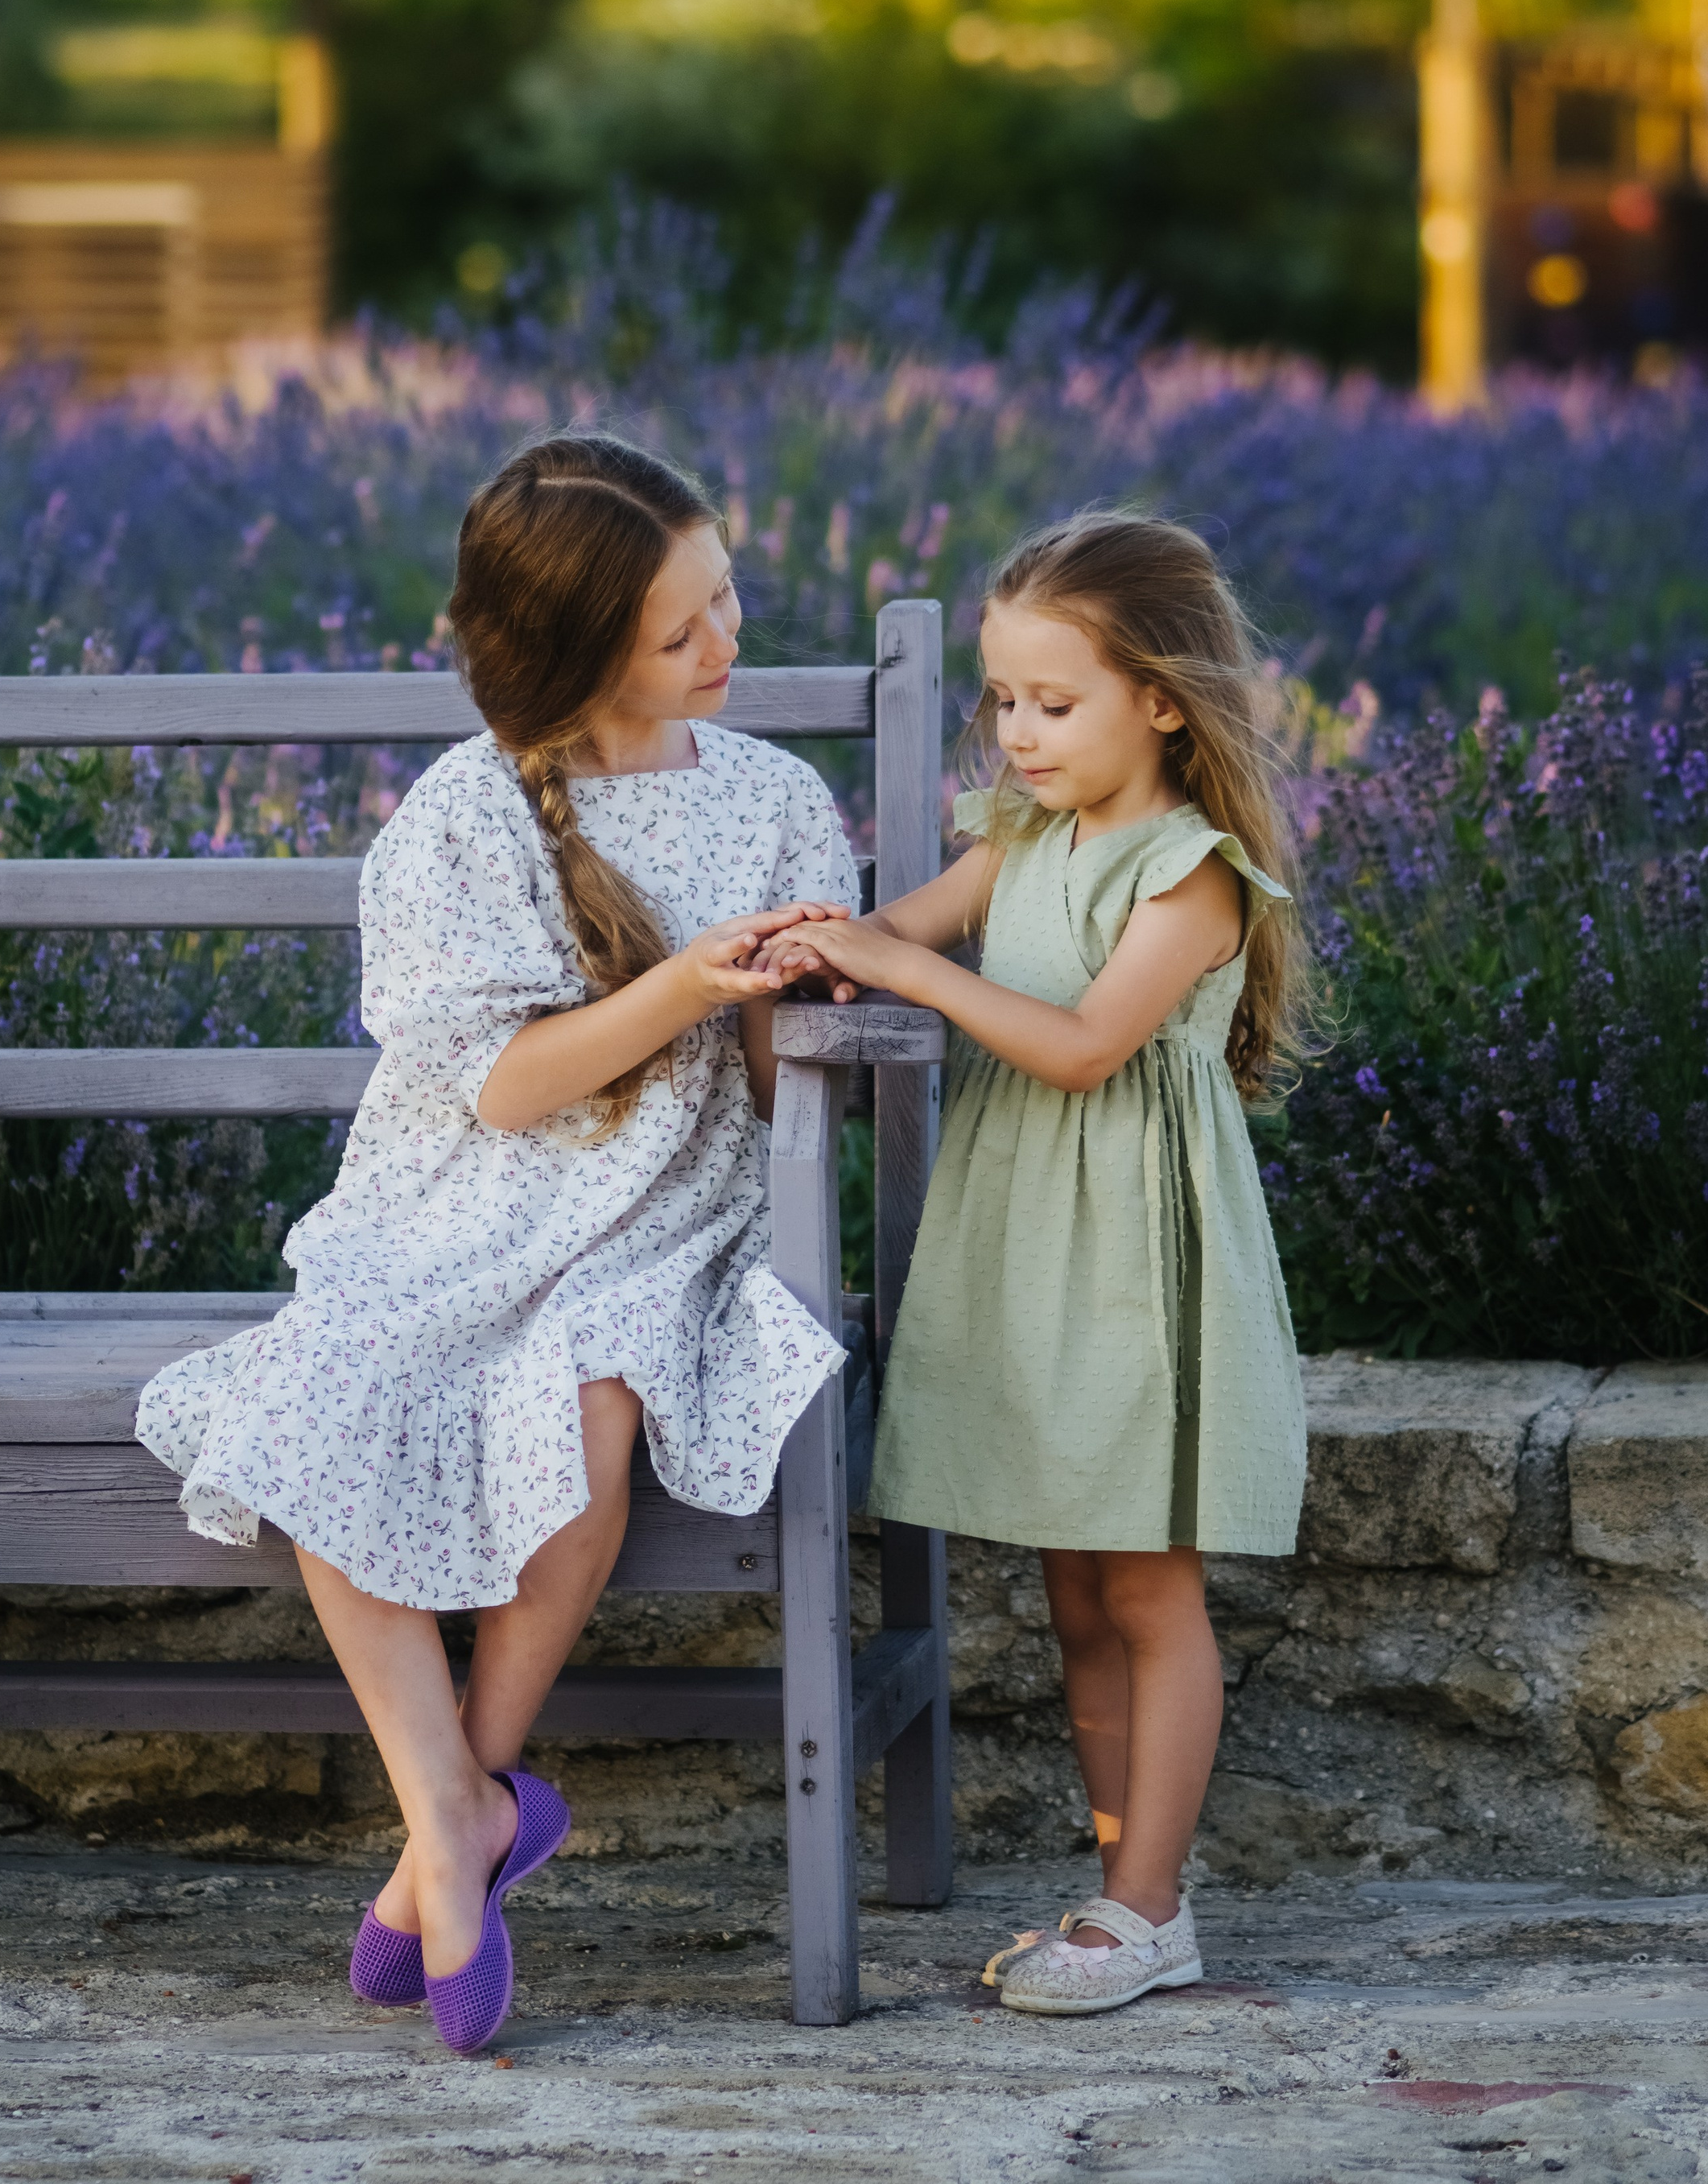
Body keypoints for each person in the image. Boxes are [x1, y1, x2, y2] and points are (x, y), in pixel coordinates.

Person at [135, 432, 855, 2054]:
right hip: (460, 1198)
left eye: (726, 600)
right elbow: (510, 1088)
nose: (725, 647)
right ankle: (453, 1808)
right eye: (682, 634)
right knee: (327, 1394)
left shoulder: (774, 799)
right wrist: (684, 981)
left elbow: (774, 1086)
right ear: (578, 654)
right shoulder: (467, 816)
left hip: (660, 1216)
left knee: (585, 1415)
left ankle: (455, 1817)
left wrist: (805, 1002)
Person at [756, 510, 1308, 2017]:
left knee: (1147, 1587)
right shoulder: (1018, 840)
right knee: (1074, 1594)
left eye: (1052, 702)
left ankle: (1149, 1907)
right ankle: (1119, 1883)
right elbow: (894, 929)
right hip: (1029, 1258)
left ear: (1162, 700)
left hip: (1130, 1263)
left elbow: (1078, 1046)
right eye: (1001, 699)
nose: (1017, 731)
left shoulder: (1191, 875)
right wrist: (818, 942)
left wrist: (910, 965)